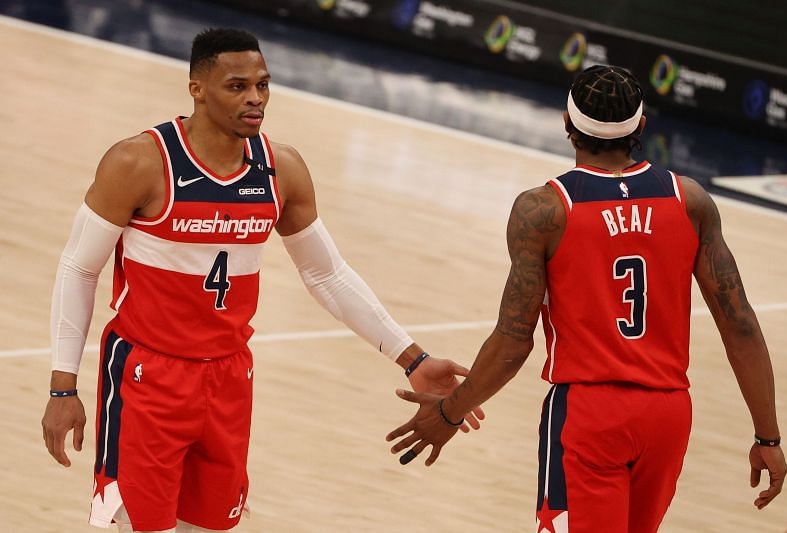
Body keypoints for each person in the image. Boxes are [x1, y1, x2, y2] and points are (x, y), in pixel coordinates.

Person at [40, 28, 483, 533]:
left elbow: (326, 273)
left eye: (263, 85)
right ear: (197, 88)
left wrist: (413, 358)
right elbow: (78, 268)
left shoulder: (281, 168)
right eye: (237, 86)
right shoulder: (138, 162)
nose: (255, 98)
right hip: (148, 378)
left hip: (229, 379)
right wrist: (62, 388)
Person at [387, 65, 787, 531]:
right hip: (668, 415)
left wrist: (450, 413)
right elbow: (740, 324)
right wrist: (768, 436)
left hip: (589, 415)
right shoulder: (690, 200)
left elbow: (515, 341)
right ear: (640, 125)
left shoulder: (544, 210)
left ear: (566, 123)